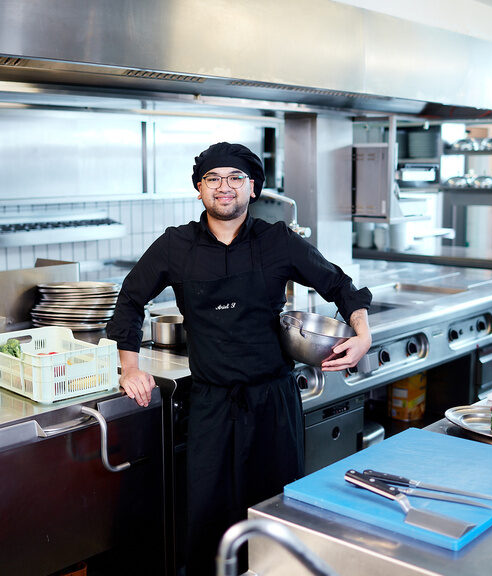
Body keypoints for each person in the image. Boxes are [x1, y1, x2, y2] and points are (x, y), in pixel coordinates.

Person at [106, 142, 372, 575]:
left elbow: (340, 285)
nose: (223, 187)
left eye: (234, 178)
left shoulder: (278, 241)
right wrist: (131, 367)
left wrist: (362, 332)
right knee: (208, 522)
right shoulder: (175, 246)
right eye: (213, 178)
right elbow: (131, 299)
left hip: (273, 404)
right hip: (210, 406)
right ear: (199, 189)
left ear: (252, 188)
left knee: (273, 515)